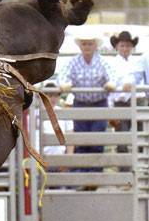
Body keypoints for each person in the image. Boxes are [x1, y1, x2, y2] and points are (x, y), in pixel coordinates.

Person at [59, 30, 116, 174]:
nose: (87, 46)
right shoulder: (73, 62)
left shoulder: (103, 62)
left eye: (90, 44)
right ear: (80, 46)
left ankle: (95, 174)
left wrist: (110, 83)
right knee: (81, 138)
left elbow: (112, 76)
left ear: (95, 46)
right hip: (80, 104)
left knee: (97, 138)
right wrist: (64, 83)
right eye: (84, 44)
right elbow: (63, 75)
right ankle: (83, 174)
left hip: (99, 104)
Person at [109, 31, 140, 164]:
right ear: (117, 47)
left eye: (128, 46)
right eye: (122, 45)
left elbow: (141, 80)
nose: (125, 48)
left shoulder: (138, 62)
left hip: (137, 101)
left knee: (141, 137)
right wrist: (110, 109)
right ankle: (125, 171)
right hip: (120, 102)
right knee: (122, 139)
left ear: (131, 47)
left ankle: (142, 170)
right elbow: (109, 84)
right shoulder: (111, 63)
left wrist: (132, 85)